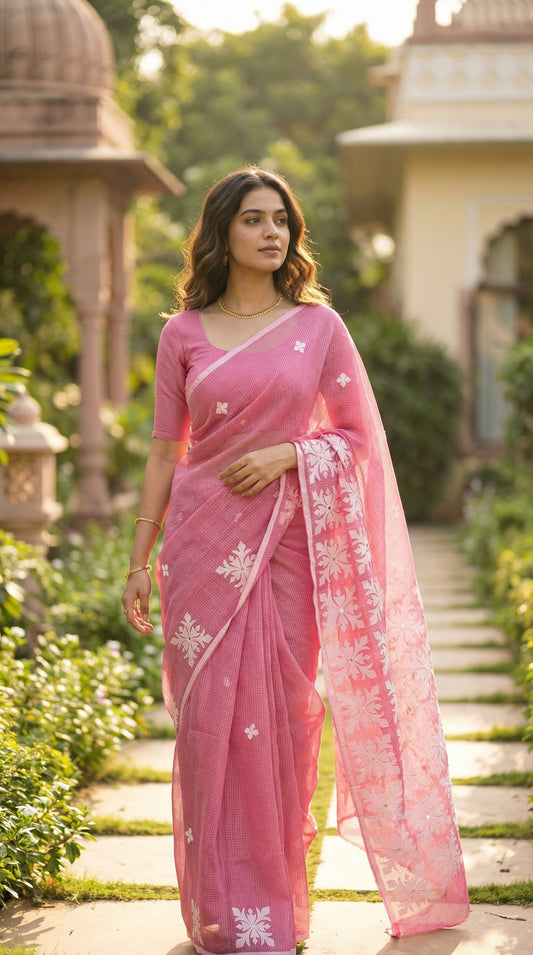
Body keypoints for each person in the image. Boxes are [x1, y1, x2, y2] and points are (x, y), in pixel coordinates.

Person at [121, 166, 469, 954]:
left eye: (281, 219)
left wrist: (286, 453)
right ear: (221, 232)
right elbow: (161, 451)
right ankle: (218, 907)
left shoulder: (319, 329)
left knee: (281, 722)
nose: (272, 232)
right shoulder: (181, 333)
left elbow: (355, 438)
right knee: (208, 730)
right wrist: (139, 555)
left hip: (285, 552)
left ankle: (270, 909)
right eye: (252, 219)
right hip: (201, 550)